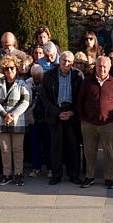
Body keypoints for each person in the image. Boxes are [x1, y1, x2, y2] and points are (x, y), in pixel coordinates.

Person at [77, 54, 113, 189]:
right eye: (99, 66)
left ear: (110, 67)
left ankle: (108, 178)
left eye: (105, 66)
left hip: (108, 124)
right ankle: (89, 176)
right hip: (89, 123)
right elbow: (80, 101)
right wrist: (83, 117)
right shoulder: (87, 82)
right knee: (89, 151)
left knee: (109, 152)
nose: (102, 69)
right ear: (95, 67)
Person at [39, 51, 84, 186]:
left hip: (71, 113)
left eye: (69, 61)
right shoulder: (49, 75)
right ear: (60, 60)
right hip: (55, 113)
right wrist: (56, 112)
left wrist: (72, 112)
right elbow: (44, 97)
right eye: (64, 60)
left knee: (73, 146)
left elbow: (81, 98)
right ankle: (56, 174)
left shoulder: (77, 76)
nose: (66, 63)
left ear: (72, 63)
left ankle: (74, 174)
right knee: (56, 146)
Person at [0, 57, 32, 186]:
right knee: (5, 149)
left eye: (12, 68)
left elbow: (26, 102)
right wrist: (4, 114)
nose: (9, 70)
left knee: (18, 149)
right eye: (6, 68)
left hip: (18, 120)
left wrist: (13, 115)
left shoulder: (22, 83)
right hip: (2, 120)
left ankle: (18, 174)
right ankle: (7, 174)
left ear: (16, 68)